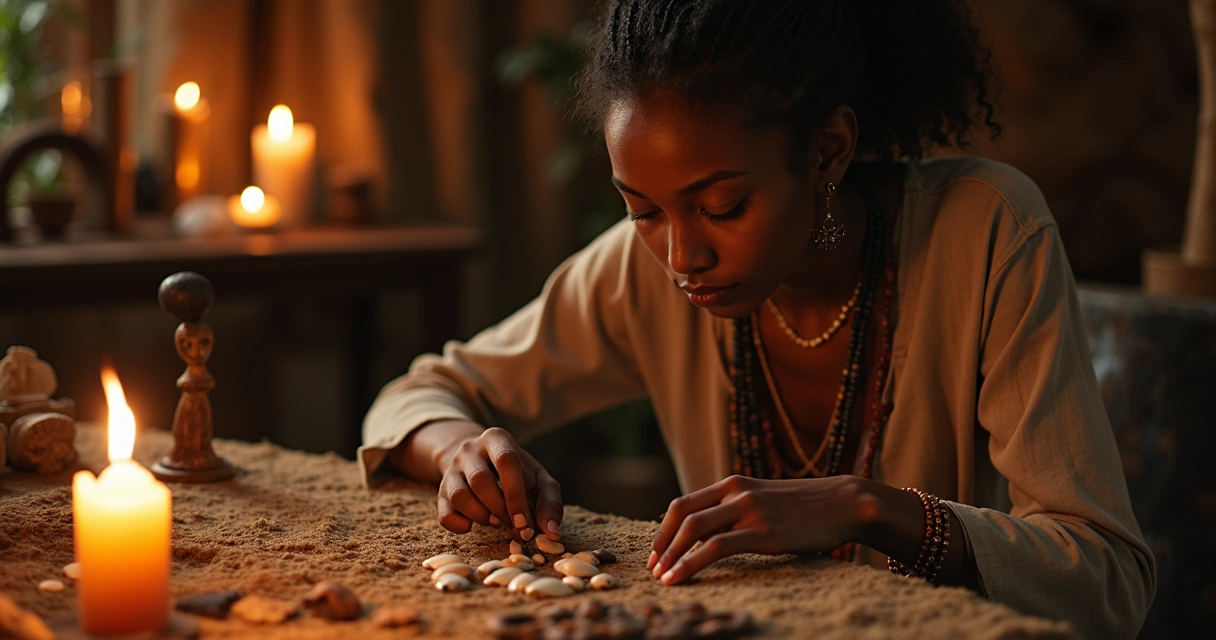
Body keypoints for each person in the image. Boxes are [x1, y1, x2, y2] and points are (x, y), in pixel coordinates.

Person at [360, 1, 1155, 636]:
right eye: (641, 210)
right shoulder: (639, 271)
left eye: (722, 205)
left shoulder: (985, 233)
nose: (681, 255)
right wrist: (464, 450)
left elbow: (1106, 581)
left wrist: (868, 506)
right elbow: (421, 392)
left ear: (828, 152)